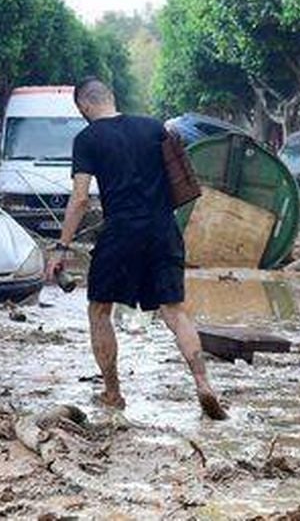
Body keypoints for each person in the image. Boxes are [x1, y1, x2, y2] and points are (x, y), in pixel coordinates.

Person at [46, 78, 228, 420]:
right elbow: (180, 178)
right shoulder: (153, 127)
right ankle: (203, 384)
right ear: (111, 98)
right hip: (163, 229)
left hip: (121, 233)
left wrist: (61, 247)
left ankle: (113, 393)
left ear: (83, 107)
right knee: (175, 312)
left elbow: (81, 198)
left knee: (100, 311)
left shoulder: (87, 139)